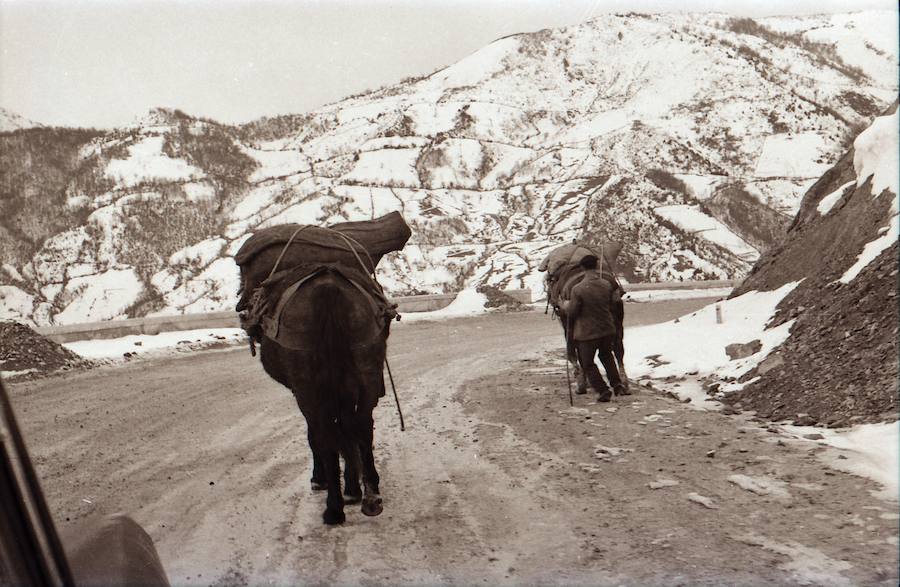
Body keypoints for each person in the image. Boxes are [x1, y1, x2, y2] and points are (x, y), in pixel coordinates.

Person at [564, 254, 625, 402]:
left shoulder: (577, 289)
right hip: (607, 329)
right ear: (597, 266)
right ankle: (617, 385)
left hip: (587, 333)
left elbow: (572, 312)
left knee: (587, 363)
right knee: (607, 356)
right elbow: (612, 304)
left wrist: (564, 305)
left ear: (583, 268)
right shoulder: (607, 285)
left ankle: (602, 390)